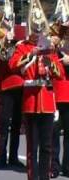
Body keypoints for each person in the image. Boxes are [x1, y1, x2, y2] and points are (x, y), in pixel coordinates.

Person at [9, 1, 63, 179]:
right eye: (35, 27)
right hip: (31, 101)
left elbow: (59, 73)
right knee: (32, 147)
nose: (38, 31)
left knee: (46, 146)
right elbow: (13, 64)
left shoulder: (49, 47)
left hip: (47, 101)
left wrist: (51, 65)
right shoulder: (22, 46)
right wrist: (30, 55)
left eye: (40, 27)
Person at [0, 0, 24, 169]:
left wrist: (17, 41)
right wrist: (5, 41)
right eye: (6, 19)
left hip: (21, 84)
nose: (9, 22)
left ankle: (14, 156)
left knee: (17, 123)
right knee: (3, 123)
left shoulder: (20, 35)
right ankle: (2, 157)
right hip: (5, 85)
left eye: (11, 19)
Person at [50, 1, 69, 178]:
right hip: (55, 92)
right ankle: (53, 166)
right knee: (54, 133)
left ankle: (67, 166)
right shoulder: (54, 41)